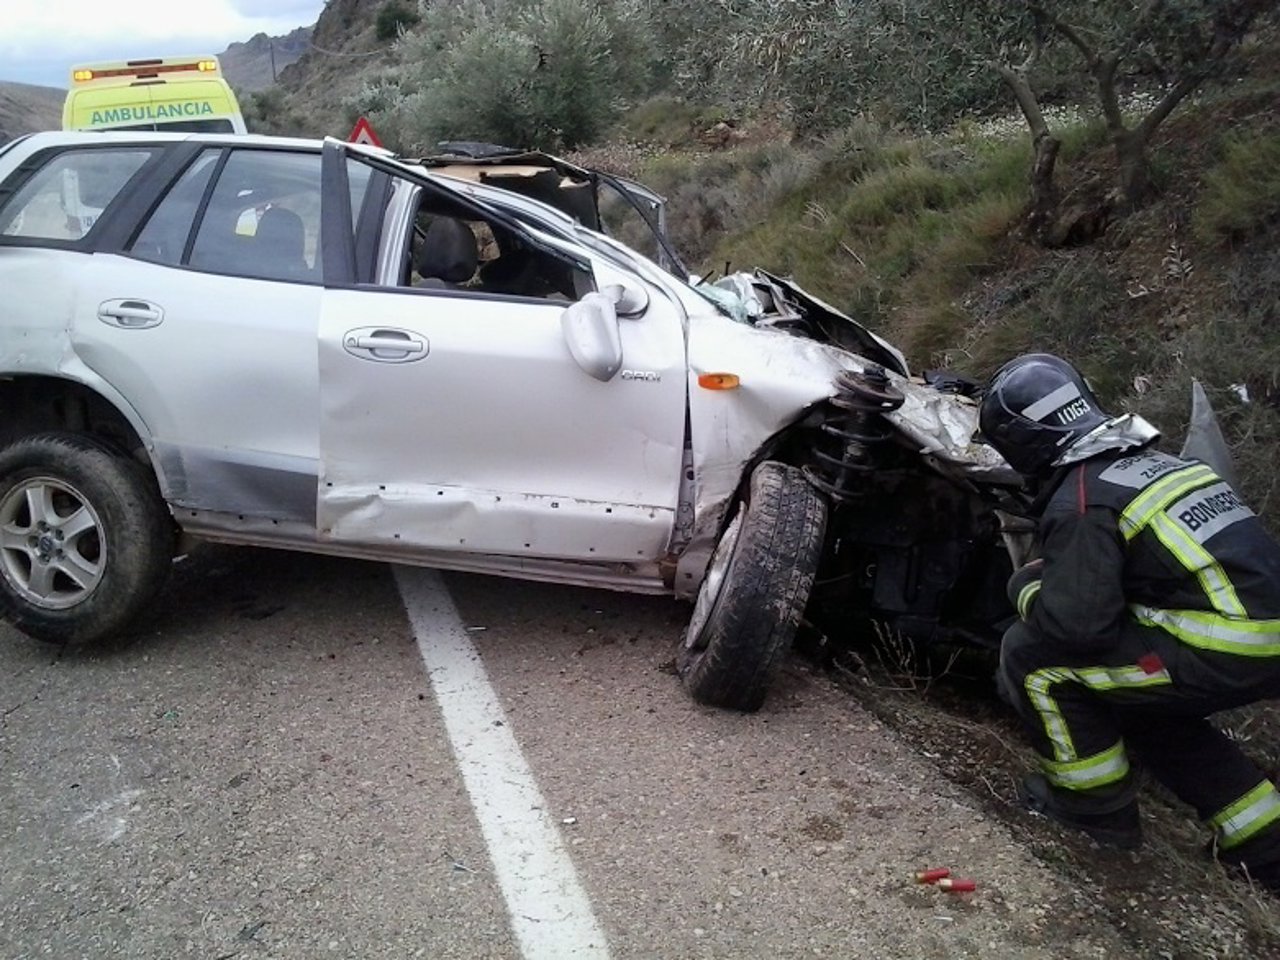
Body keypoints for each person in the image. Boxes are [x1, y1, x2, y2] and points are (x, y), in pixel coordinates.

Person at [978, 353, 1280, 891]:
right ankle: (1266, 845)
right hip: (1258, 636)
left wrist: (1024, 585)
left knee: (1033, 658)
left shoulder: (1082, 497)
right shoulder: (1157, 464)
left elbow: (1077, 629)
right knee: (1139, 701)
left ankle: (1092, 811)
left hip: (1226, 644)